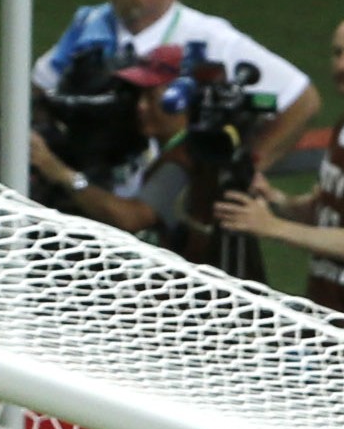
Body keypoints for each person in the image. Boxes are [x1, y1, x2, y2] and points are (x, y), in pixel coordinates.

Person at [36, 0, 305, 150]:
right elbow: (37, 88)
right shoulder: (91, 27)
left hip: (168, 197)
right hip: (96, 194)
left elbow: (301, 99)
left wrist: (253, 164)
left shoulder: (208, 37)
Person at [32, 48, 252, 266]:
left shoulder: (184, 159)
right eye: (139, 96)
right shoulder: (180, 148)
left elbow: (130, 218)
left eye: (151, 96)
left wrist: (59, 172)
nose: (140, 107)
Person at [216, 14, 344, 315]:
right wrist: (279, 202)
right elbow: (329, 210)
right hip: (329, 315)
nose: (343, 65)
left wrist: (272, 227)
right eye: (338, 53)